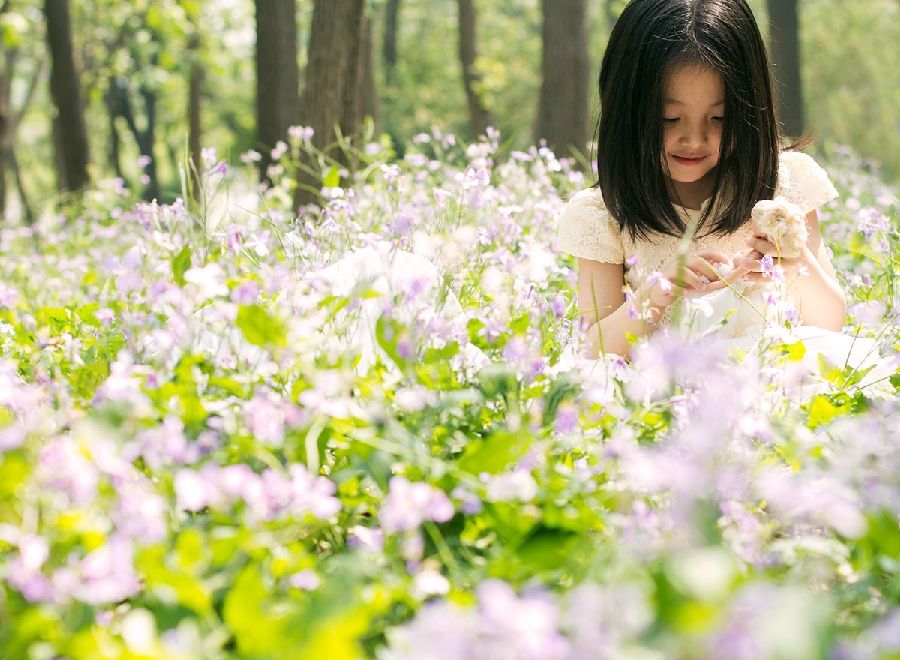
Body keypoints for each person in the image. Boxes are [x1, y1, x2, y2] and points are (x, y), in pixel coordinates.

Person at [557, 0, 847, 360]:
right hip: (664, 401)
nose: (693, 140)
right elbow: (592, 351)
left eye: (720, 118)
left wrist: (793, 260)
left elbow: (830, 325)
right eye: (668, 119)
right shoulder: (604, 215)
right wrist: (655, 294)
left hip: (773, 391)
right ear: (626, 111)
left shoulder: (784, 183)